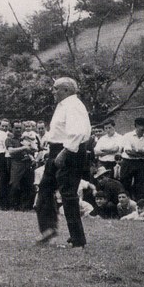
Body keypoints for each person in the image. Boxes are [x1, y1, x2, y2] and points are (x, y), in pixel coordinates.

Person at [35, 77, 91, 248]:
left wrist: (65, 152)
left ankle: (78, 239)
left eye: (55, 88)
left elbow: (78, 132)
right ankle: (49, 229)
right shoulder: (63, 106)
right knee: (45, 189)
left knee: (68, 194)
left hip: (69, 151)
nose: (52, 91)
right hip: (57, 150)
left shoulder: (74, 106)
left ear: (66, 90)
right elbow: (59, 131)